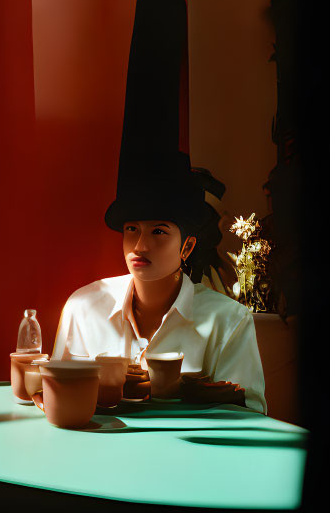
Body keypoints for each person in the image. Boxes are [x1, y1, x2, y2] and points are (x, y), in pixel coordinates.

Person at [52, 156, 267, 414]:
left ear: (186, 247)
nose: (140, 246)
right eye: (132, 229)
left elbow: (249, 415)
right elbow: (55, 392)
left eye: (159, 232)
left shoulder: (228, 320)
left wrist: (177, 391)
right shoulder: (84, 307)